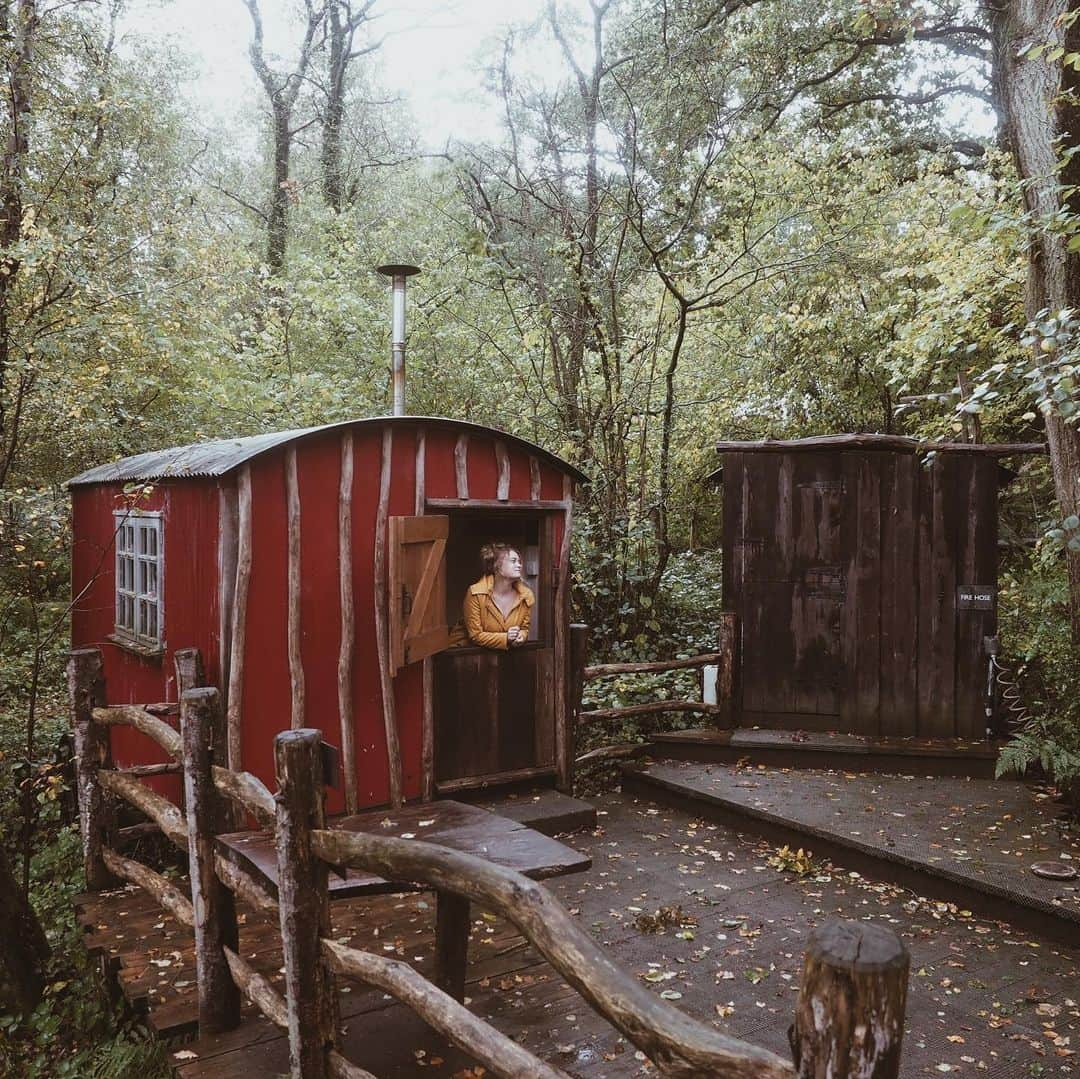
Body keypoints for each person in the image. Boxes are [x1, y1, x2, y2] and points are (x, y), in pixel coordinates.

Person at [460, 542, 534, 650]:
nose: (519, 565)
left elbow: (524, 628)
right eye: (513, 561)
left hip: (509, 658)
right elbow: (475, 635)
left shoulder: (526, 596)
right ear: (497, 567)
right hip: (471, 659)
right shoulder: (476, 593)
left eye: (519, 562)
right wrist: (505, 638)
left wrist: (521, 636)